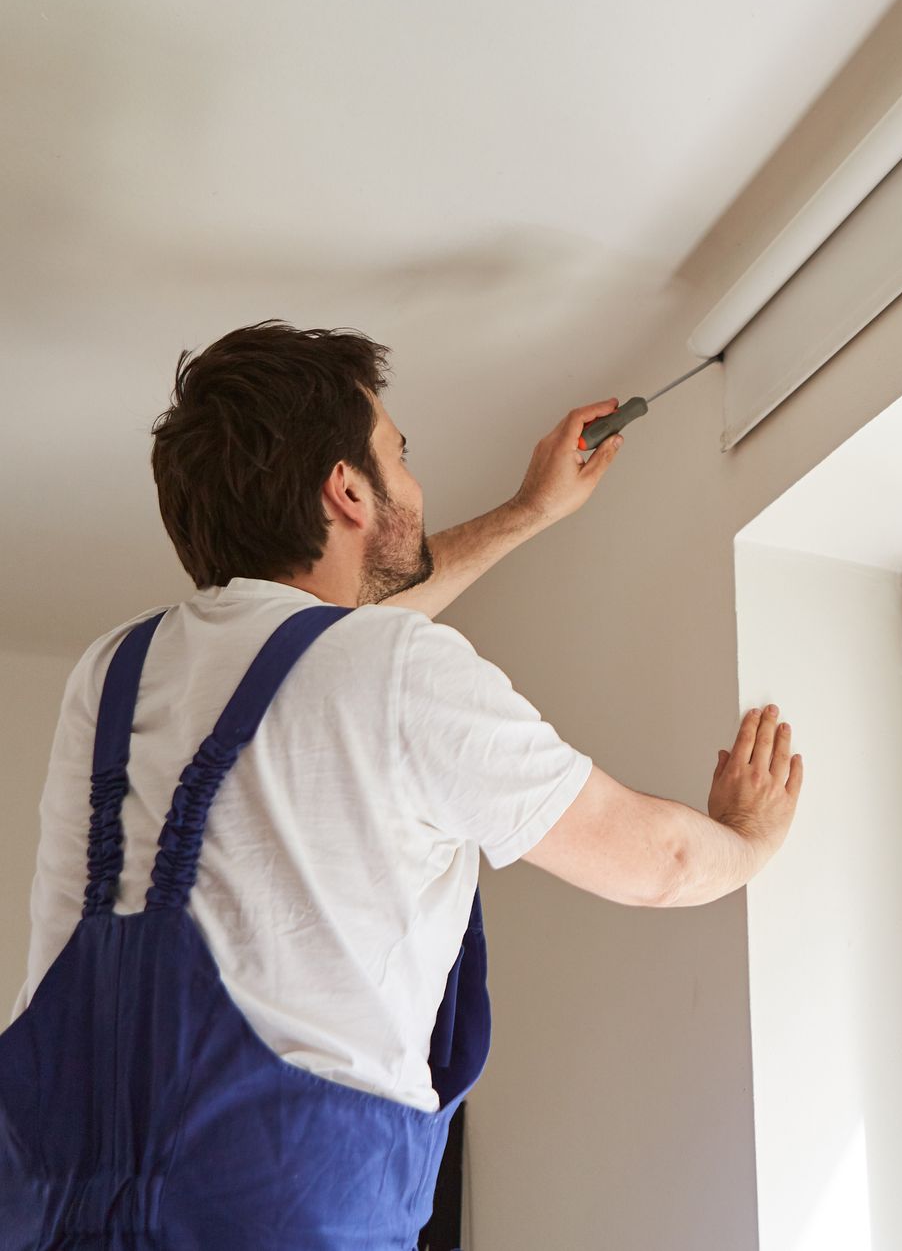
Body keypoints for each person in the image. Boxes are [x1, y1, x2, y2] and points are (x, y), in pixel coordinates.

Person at [0, 320, 803, 1248]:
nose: (413, 478)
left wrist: (528, 512)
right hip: (291, 1217)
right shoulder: (396, 668)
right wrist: (751, 838)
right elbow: (657, 861)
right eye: (399, 453)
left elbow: (314, 653)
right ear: (346, 489)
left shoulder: (110, 673)